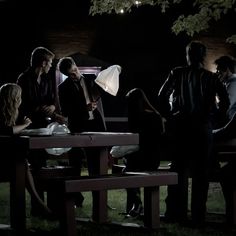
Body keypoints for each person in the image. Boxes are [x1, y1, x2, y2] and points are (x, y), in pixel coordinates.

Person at [158, 41, 230, 227]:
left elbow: (162, 96)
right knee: (201, 174)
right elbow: (225, 100)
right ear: (204, 56)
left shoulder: (177, 73)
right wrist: (215, 118)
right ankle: (198, 216)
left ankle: (177, 213)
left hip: (181, 128)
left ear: (188, 55)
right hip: (202, 129)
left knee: (179, 171)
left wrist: (170, 116)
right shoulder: (211, 78)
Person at [16, 46, 66, 216]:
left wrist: (52, 107)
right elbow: (20, 104)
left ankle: (39, 206)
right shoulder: (23, 78)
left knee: (40, 166)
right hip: (27, 127)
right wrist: (38, 109)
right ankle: (37, 206)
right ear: (43, 62)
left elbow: (52, 100)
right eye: (50, 62)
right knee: (29, 166)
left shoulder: (46, 80)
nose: (51, 66)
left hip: (43, 128)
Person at [57, 56, 106, 206]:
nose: (75, 75)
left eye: (75, 70)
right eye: (71, 74)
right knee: (75, 164)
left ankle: (99, 198)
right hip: (77, 127)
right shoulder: (63, 87)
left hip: (95, 125)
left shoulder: (91, 78)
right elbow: (65, 111)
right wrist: (83, 108)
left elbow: (102, 93)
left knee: (96, 164)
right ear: (66, 74)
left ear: (76, 66)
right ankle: (76, 199)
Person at [0, 83, 52, 217]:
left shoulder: (15, 112)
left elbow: (16, 130)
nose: (21, 99)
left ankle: (39, 204)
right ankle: (39, 204)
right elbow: (8, 131)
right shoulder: (0, 111)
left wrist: (23, 124)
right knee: (22, 163)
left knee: (24, 162)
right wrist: (25, 125)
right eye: (19, 96)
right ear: (14, 97)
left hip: (11, 156)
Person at [123, 88, 165, 217]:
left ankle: (136, 204)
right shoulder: (155, 115)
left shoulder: (137, 117)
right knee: (129, 167)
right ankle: (136, 205)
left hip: (145, 157)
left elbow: (136, 140)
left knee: (127, 171)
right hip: (153, 157)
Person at [213, 55, 236, 225]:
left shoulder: (233, 85)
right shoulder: (227, 85)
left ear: (227, 69)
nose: (217, 72)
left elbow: (228, 108)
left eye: (219, 69)